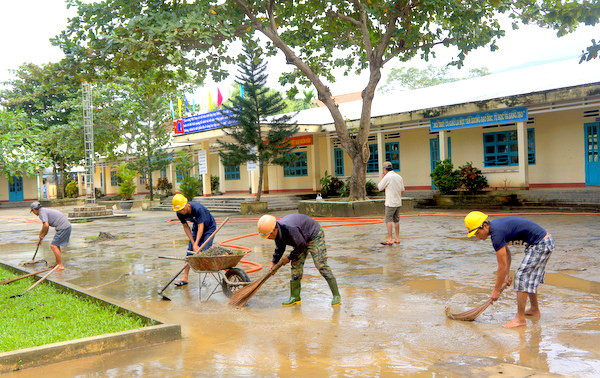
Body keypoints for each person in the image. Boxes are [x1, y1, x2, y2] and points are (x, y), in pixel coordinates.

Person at [464, 211, 555, 328]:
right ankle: (534, 309)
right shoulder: (496, 229)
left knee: (522, 277)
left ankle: (520, 319)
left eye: (477, 232)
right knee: (529, 278)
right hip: (540, 243)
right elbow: (507, 254)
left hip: (541, 244)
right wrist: (505, 276)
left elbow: (501, 265)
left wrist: (496, 290)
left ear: (485, 225)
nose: (477, 236)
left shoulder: (497, 234)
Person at [257, 214, 341, 306]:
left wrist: (288, 258)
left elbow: (301, 246)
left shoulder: (290, 228)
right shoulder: (277, 232)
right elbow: (280, 248)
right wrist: (274, 262)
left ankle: (336, 295)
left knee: (320, 265)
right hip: (300, 240)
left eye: (269, 236)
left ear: (274, 229)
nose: (268, 238)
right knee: (296, 266)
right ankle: (295, 297)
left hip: (314, 235)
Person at [172, 193, 216, 287]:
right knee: (190, 253)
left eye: (182, 209)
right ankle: (185, 278)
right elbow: (186, 227)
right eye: (179, 210)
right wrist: (193, 243)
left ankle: (209, 276)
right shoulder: (179, 213)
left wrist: (197, 244)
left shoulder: (198, 208)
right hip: (197, 227)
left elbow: (202, 226)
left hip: (209, 228)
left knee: (205, 250)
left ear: (187, 204)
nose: (182, 212)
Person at [30, 201, 71, 270]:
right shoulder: (43, 210)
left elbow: (46, 225)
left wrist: (41, 235)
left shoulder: (41, 213)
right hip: (65, 227)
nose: (33, 213)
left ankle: (60, 265)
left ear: (34, 210)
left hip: (63, 227)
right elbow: (46, 227)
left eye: (32, 211)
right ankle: (57, 263)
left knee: (53, 246)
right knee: (56, 245)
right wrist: (42, 236)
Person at [377, 161, 405, 245]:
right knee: (396, 220)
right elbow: (402, 190)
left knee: (388, 220)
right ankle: (397, 238)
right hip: (398, 202)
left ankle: (390, 239)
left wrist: (382, 177)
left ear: (385, 169)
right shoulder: (399, 176)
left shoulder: (387, 177)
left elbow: (379, 187)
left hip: (390, 202)